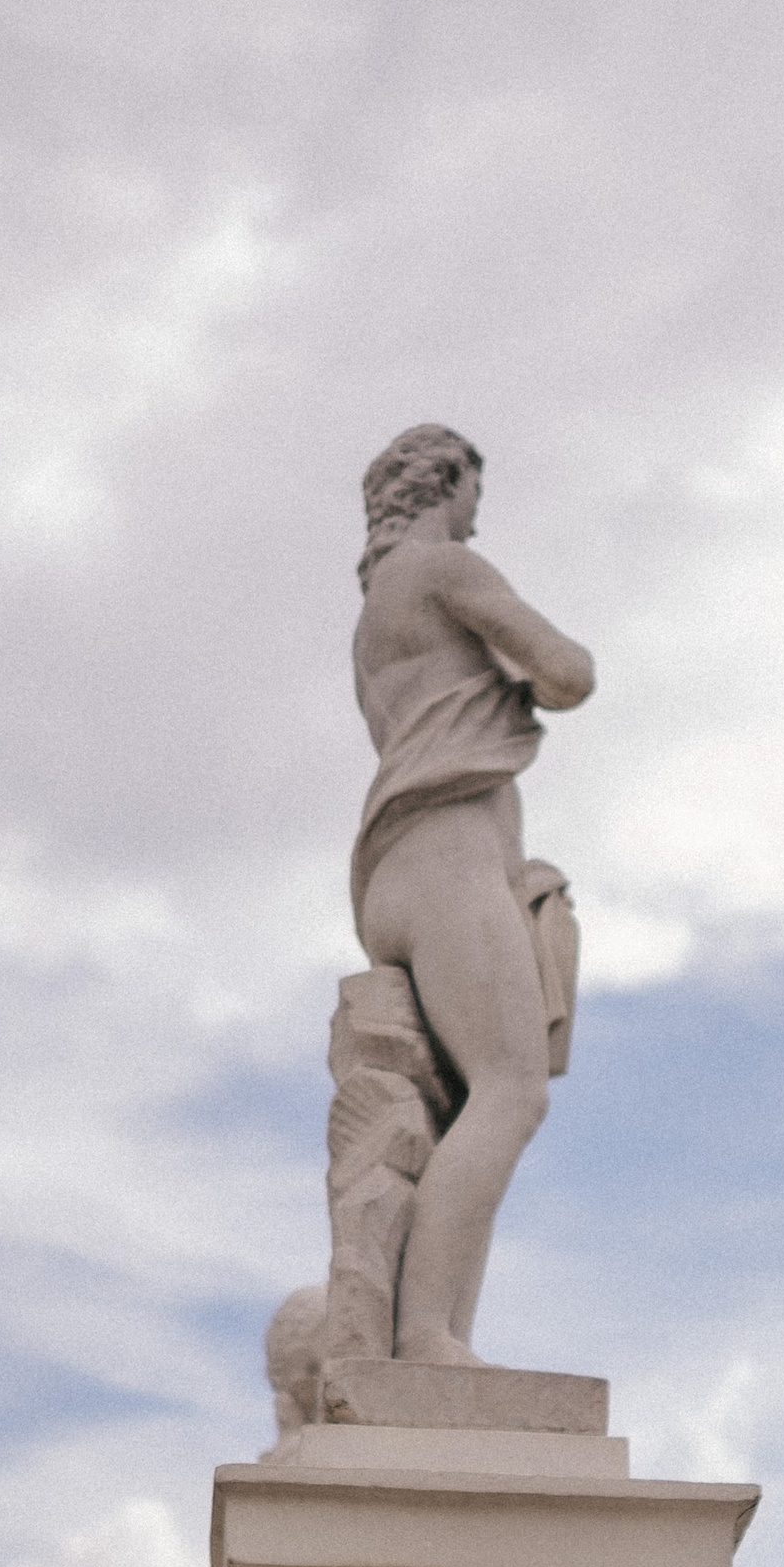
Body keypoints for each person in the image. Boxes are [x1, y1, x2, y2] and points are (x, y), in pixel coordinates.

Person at [349, 423, 595, 1363]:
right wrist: (522, 675)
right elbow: (570, 672)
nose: (475, 525)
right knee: (511, 1093)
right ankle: (426, 1337)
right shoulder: (442, 569)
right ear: (443, 482)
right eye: (471, 501)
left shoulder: (373, 618)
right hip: (449, 853)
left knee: (467, 1116)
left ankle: (431, 1329)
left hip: (395, 873)